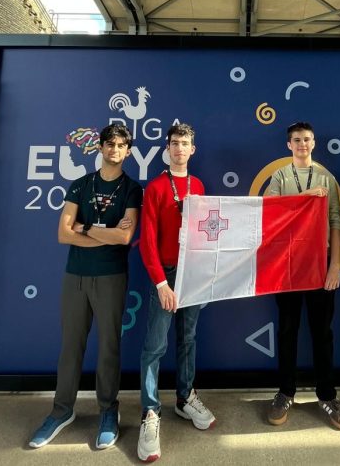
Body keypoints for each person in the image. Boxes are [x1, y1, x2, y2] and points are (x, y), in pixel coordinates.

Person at [29, 123, 142, 450]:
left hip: (111, 276)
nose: (114, 150)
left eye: (120, 145)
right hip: (75, 276)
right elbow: (63, 233)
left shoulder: (132, 189)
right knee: (71, 346)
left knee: (109, 346)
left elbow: (124, 237)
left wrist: (86, 227)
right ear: (101, 147)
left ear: (128, 151)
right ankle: (61, 410)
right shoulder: (80, 184)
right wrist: (105, 235)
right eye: (110, 144)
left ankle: (108, 411)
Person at [137, 123, 215, 463]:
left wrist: (204, 273)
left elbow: (205, 234)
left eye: (185, 143)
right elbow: (147, 242)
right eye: (174, 143)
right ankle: (150, 412)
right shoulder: (155, 187)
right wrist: (161, 284)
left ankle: (185, 399)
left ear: (192, 149)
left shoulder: (198, 185)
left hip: (192, 273)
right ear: (167, 149)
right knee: (155, 345)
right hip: (166, 275)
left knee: (188, 338)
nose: (179, 148)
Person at [264, 121, 340, 430]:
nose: (302, 144)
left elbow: (336, 221)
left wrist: (335, 264)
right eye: (297, 140)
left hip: (320, 263)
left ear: (314, 143)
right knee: (288, 329)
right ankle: (285, 392)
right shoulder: (280, 176)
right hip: (287, 263)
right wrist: (306, 197)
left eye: (307, 139)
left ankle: (327, 395)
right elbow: (270, 211)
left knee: (322, 331)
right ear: (289, 145)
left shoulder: (327, 177)